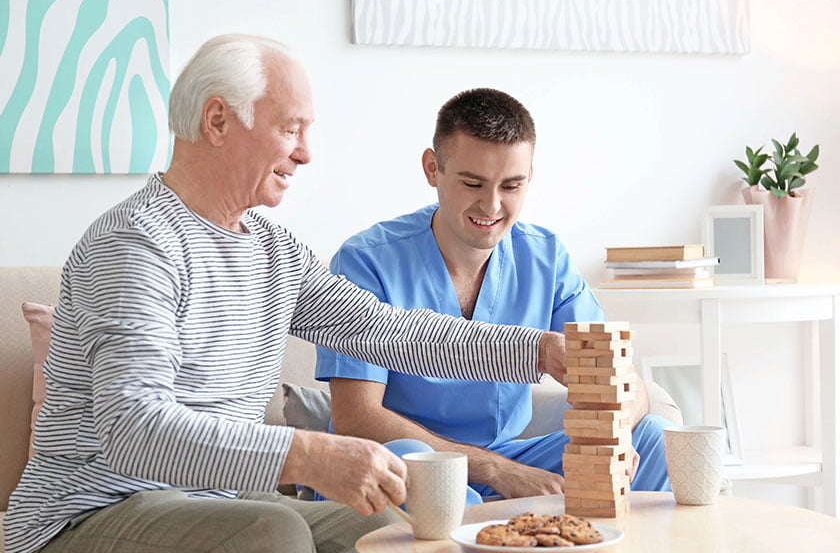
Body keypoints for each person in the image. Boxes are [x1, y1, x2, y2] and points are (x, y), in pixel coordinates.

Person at [3, 37, 572, 553]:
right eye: (290, 128)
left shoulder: (272, 249)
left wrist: (539, 351)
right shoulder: (137, 244)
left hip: (219, 500)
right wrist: (307, 454)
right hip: (89, 511)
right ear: (218, 121)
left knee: (396, 526)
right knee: (271, 531)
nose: (305, 153)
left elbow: (390, 332)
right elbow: (135, 430)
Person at [315, 88, 673, 502]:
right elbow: (356, 418)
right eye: (473, 183)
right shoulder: (365, 261)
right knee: (432, 476)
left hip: (508, 455)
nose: (492, 205)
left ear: (530, 176)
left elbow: (623, 378)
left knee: (655, 438)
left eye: (511, 185)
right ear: (432, 168)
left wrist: (617, 428)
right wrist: (498, 471)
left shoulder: (545, 256)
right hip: (399, 462)